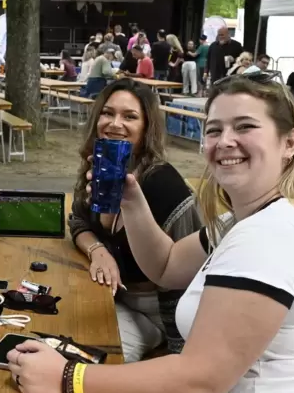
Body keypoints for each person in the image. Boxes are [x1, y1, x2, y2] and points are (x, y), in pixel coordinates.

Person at [6, 73, 294, 393]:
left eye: (244, 126)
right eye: (214, 130)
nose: (225, 141)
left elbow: (200, 378)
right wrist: (132, 202)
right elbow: (167, 266)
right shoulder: (241, 221)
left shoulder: (270, 237)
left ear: (290, 142)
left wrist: (68, 376)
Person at [69, 79, 200, 362]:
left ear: (146, 127)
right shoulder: (100, 165)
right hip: (110, 296)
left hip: (156, 313)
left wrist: (180, 356)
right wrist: (98, 250)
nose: (115, 123)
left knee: (91, 362)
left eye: (130, 116)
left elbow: (191, 279)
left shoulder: (164, 186)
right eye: (108, 113)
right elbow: (77, 221)